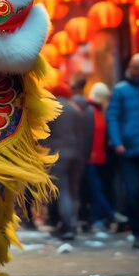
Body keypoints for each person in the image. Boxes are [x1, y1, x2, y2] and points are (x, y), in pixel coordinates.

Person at [106, 53, 139, 250]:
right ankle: (138, 232)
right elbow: (113, 117)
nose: (132, 70)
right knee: (132, 193)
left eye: (137, 67)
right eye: (131, 66)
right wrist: (117, 142)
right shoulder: (121, 90)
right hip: (129, 151)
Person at [84, 82, 127, 232]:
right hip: (90, 157)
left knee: (98, 188)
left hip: (99, 157)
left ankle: (98, 219)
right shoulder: (89, 110)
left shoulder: (98, 111)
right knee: (96, 189)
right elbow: (87, 135)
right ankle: (107, 214)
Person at [47, 83, 85, 240]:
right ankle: (72, 224)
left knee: (62, 191)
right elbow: (83, 135)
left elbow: (43, 134)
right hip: (76, 154)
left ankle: (68, 227)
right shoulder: (76, 109)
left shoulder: (51, 109)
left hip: (57, 155)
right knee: (74, 190)